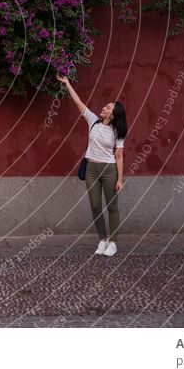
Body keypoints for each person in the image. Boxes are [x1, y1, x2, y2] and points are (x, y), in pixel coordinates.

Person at [56, 73, 128, 257]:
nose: (104, 107)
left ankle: (113, 243)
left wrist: (120, 178)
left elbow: (119, 156)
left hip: (109, 170)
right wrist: (67, 83)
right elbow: (78, 102)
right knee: (95, 206)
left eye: (108, 107)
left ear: (113, 115)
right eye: (105, 106)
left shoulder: (118, 130)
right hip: (91, 170)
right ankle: (102, 239)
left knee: (112, 207)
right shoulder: (93, 121)